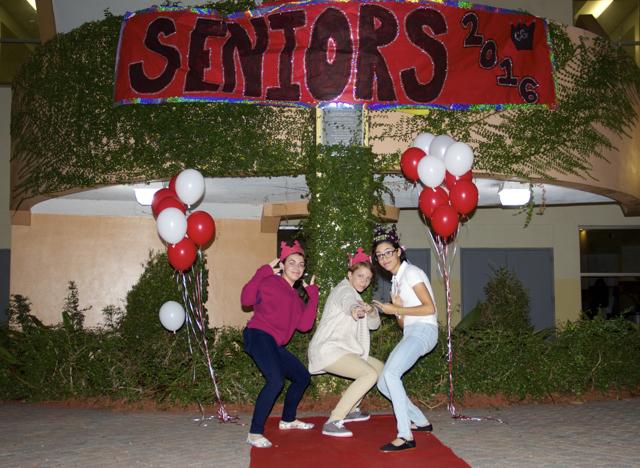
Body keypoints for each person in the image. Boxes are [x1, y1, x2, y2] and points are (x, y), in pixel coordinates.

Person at [240, 240, 319, 448]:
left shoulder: (296, 298)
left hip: (274, 343)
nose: (297, 268)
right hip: (257, 334)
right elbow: (246, 299)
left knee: (302, 377)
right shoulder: (269, 281)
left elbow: (304, 326)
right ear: (282, 265)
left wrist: (313, 298)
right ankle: (254, 432)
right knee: (275, 381)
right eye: (292, 262)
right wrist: (263, 271)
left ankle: (288, 419)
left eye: (301, 265)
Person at [371, 225, 438, 453]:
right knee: (384, 382)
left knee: (391, 374)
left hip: (424, 330)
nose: (384, 258)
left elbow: (429, 308)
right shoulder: (396, 282)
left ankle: (405, 435)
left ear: (399, 251)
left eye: (388, 252)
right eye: (380, 255)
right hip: (412, 330)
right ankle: (420, 421)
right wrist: (397, 310)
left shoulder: (412, 273)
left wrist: (394, 308)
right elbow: (402, 323)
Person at [308, 248, 383, 438]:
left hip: (343, 350)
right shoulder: (344, 290)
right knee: (368, 374)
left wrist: (371, 311)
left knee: (381, 369)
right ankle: (333, 421)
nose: (364, 282)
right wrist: (355, 309)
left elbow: (374, 325)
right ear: (350, 275)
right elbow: (346, 302)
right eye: (360, 276)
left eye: (367, 279)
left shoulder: (357, 296)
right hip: (327, 350)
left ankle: (353, 409)